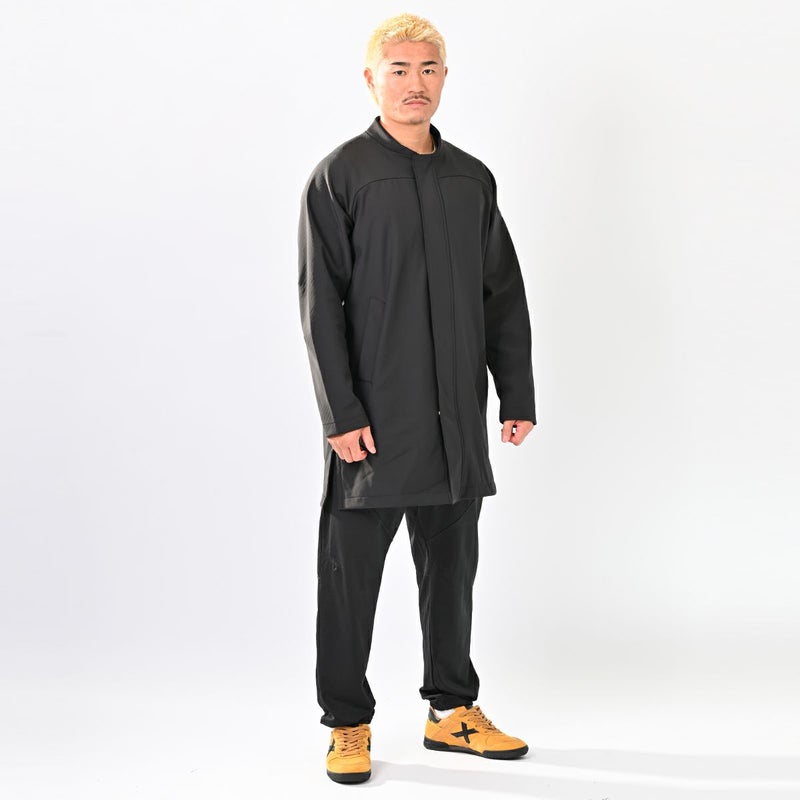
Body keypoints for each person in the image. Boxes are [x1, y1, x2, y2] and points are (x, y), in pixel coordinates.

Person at [297, 13, 536, 785]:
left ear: (444, 78)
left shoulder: (471, 179)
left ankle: (452, 711)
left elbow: (502, 293)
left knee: (452, 574)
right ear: (371, 79)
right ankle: (347, 723)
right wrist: (341, 414)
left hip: (454, 421)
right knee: (349, 582)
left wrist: (515, 392)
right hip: (374, 424)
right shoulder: (341, 176)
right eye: (398, 69)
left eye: (427, 69)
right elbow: (320, 304)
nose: (414, 83)